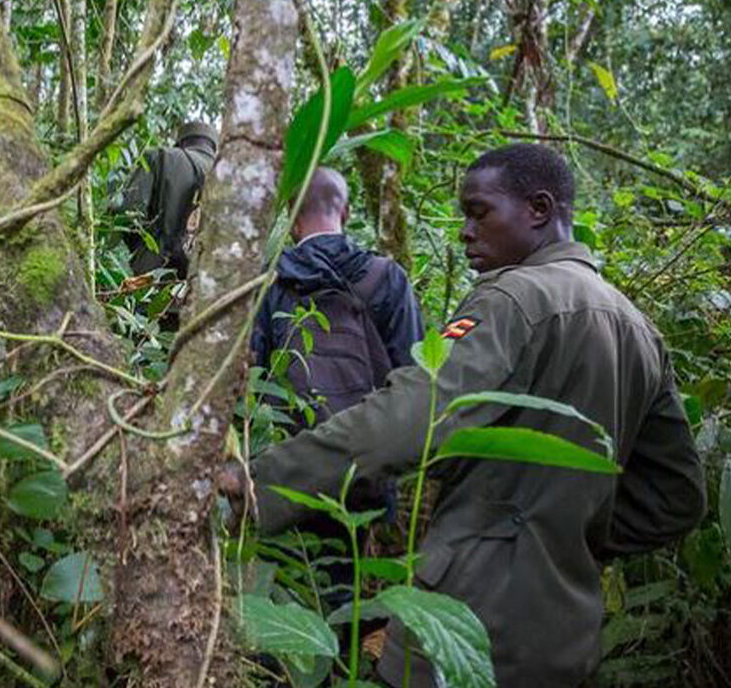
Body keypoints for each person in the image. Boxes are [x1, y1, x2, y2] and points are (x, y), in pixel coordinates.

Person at [224, 144, 705, 687]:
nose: (465, 233)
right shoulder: (637, 326)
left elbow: (404, 420)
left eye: (479, 212)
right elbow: (677, 497)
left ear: (539, 210)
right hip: (566, 636)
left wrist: (256, 483)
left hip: (464, 627)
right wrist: (563, 537)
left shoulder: (513, 300)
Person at [249, 167, 424, 611]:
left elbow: (247, 373)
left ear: (292, 214)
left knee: (284, 586)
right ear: (346, 211)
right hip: (359, 472)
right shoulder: (387, 278)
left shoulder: (270, 281)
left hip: (284, 465)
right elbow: (412, 376)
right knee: (341, 586)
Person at [115, 121, 218, 279]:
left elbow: (128, 213)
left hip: (153, 275)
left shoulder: (160, 157)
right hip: (206, 280)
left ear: (181, 142)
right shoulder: (230, 178)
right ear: (213, 146)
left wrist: (147, 249)